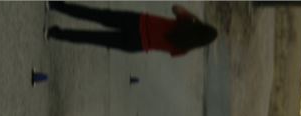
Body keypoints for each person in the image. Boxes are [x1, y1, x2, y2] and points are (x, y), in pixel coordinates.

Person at [47, 1, 217, 57]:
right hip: (137, 43)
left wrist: (196, 19)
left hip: (136, 22)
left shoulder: (187, 22)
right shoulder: (183, 49)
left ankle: (56, 5)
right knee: (92, 38)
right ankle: (54, 33)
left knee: (95, 15)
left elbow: (176, 8)